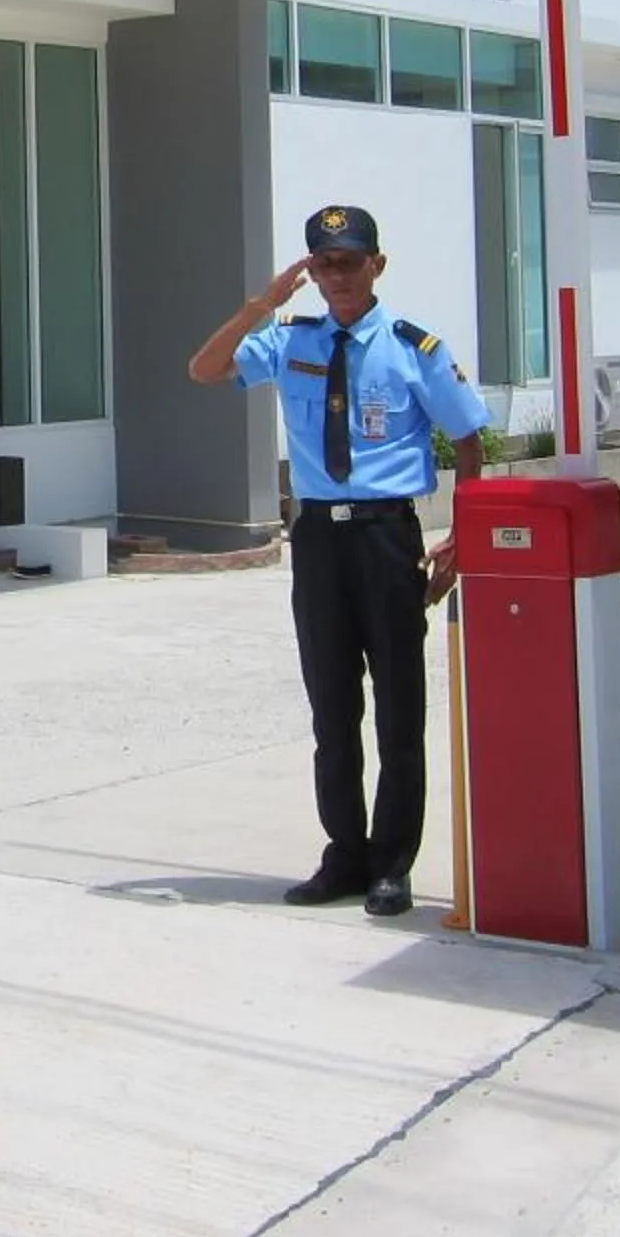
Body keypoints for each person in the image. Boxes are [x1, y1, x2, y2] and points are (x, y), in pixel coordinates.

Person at [188, 205, 489, 918]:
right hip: (319, 539)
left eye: (349, 263)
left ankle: (392, 863)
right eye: (323, 264)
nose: (336, 277)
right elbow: (204, 370)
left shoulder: (414, 347)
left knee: (397, 708)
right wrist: (261, 304)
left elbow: (470, 439)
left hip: (387, 538)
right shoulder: (288, 339)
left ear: (376, 266)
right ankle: (343, 854)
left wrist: (466, 534)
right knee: (332, 706)